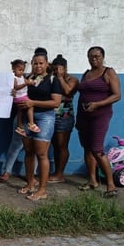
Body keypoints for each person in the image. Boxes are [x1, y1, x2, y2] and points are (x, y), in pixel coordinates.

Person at [17, 49, 62, 201]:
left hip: (45, 117)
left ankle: (42, 190)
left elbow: (56, 102)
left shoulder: (53, 80)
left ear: (47, 64)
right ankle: (30, 184)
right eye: (35, 63)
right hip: (26, 118)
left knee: (42, 154)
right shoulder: (27, 78)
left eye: (41, 63)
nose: (37, 66)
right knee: (28, 152)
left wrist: (33, 103)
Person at [76, 46, 121, 197]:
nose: (94, 59)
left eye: (97, 56)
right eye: (91, 57)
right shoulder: (86, 74)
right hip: (84, 116)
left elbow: (116, 95)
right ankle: (92, 180)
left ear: (103, 57)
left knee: (97, 149)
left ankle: (110, 185)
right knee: (87, 148)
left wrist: (97, 104)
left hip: (100, 116)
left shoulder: (108, 72)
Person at [49, 54, 79, 183]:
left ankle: (60, 174)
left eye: (59, 70)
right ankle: (56, 172)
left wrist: (60, 78)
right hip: (50, 115)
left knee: (62, 145)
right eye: (54, 69)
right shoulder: (51, 78)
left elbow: (68, 92)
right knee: (55, 145)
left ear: (65, 68)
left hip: (64, 117)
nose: (56, 72)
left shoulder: (72, 79)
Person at [12, 59, 38, 136]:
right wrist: (26, 84)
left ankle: (19, 127)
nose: (21, 72)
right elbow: (16, 87)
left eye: (23, 70)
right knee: (31, 106)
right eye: (19, 70)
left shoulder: (21, 76)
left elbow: (26, 80)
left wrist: (31, 82)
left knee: (20, 112)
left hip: (22, 96)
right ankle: (31, 123)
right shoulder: (14, 78)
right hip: (20, 97)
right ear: (13, 69)